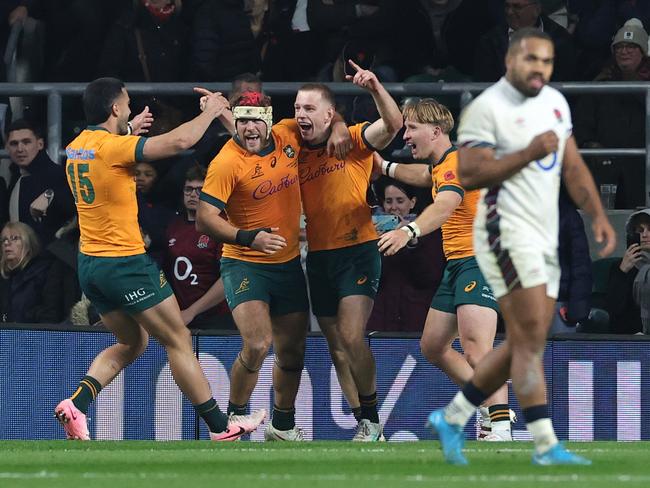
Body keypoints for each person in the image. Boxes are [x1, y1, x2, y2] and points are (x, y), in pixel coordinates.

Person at [427, 28, 616, 465]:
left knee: (525, 342)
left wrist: (599, 215)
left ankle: (456, 418)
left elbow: (571, 163)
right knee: (523, 340)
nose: (539, 69)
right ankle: (534, 440)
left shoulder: (555, 104)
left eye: (546, 61)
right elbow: (469, 174)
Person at [55, 77, 265, 441]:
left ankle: (77, 404)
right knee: (178, 339)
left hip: (90, 265)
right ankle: (221, 428)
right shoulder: (113, 147)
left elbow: (104, 155)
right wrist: (214, 111)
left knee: (133, 342)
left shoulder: (76, 147)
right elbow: (181, 141)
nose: (132, 109)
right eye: (128, 104)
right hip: (125, 264)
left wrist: (129, 131)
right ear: (115, 109)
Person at [196, 90, 351, 441]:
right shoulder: (226, 161)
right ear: (234, 123)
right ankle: (232, 420)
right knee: (257, 344)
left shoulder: (288, 134)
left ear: (267, 122)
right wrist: (250, 237)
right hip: (245, 263)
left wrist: (339, 124)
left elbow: (323, 119)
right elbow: (205, 219)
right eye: (242, 121)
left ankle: (282, 425)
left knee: (293, 350)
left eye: (255, 120)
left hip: (287, 264)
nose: (249, 128)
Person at [376, 98, 513, 441]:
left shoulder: (455, 165)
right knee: (433, 346)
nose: (405, 135)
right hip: (458, 264)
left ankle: (500, 425)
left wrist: (408, 230)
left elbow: (446, 202)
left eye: (412, 128)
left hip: (479, 261)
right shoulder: (442, 164)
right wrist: (385, 167)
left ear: (436, 131)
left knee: (477, 349)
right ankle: (485, 404)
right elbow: (424, 176)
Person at [294, 61, 403, 441]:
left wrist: (374, 87)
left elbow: (393, 125)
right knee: (336, 345)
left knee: (352, 334)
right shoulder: (294, 147)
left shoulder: (354, 140)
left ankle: (372, 417)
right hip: (319, 257)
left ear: (328, 113)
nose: (300, 115)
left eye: (309, 109)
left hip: (357, 250)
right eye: (296, 109)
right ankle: (365, 422)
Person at [574, 19, 650, 209]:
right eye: (619, 47)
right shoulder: (602, 84)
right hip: (606, 171)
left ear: (643, 51)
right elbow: (582, 124)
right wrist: (591, 145)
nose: (624, 52)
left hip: (643, 170)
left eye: (631, 47)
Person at [366, 177, 445, 333]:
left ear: (412, 202)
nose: (394, 207)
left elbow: (430, 276)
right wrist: (373, 241)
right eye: (389, 201)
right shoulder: (372, 230)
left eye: (400, 201)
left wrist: (412, 239)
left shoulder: (428, 230)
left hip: (416, 320)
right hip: (380, 319)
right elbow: (368, 277)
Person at [163, 164, 233, 329]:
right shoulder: (173, 226)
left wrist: (192, 311)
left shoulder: (221, 225)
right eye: (188, 189)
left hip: (217, 317)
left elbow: (229, 279)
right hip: (181, 316)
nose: (193, 195)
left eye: (199, 190)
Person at [6, 119, 76, 248]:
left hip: (52, 260)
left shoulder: (59, 176)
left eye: (26, 142)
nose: (20, 149)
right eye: (14, 144)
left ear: (40, 144)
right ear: (7, 148)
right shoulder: (16, 177)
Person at [605, 208, 650, 335]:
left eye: (649, 229)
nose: (644, 234)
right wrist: (622, 272)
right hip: (629, 339)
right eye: (640, 230)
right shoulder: (620, 266)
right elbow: (613, 309)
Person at [0, 221, 51, 323]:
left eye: (14, 238)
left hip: (30, 335)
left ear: (28, 244)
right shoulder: (4, 279)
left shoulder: (42, 274)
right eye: (4, 240)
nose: (6, 243)